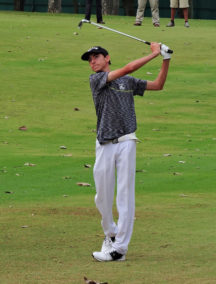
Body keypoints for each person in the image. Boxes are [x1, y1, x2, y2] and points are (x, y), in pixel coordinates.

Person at [81, 43, 171, 261]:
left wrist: (166, 60)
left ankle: (119, 249)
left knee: (124, 195)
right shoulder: (96, 80)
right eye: (90, 59)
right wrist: (153, 54)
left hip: (127, 141)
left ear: (107, 57)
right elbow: (129, 68)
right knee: (102, 197)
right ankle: (111, 234)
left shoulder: (128, 83)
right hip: (104, 142)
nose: (92, 61)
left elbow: (158, 85)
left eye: (96, 57)